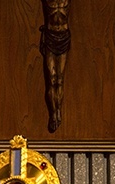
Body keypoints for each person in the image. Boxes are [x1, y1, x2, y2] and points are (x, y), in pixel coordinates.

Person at [40, 0, 71, 133]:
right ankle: (53, 114)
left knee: (60, 80)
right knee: (52, 78)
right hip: (50, 37)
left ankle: (59, 110)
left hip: (63, 37)